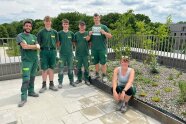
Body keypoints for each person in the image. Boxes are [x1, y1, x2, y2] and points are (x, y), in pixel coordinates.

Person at [16, 19, 40, 107]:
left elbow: (38, 47)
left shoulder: (34, 36)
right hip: (26, 61)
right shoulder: (20, 36)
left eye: (30, 26)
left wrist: (31, 46)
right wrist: (34, 46)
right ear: (24, 27)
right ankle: (23, 98)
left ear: (31, 27)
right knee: (26, 79)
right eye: (26, 26)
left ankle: (31, 91)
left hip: (34, 60)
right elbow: (24, 47)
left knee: (33, 77)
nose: (28, 27)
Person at [88, 13, 112, 82]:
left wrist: (104, 33)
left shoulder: (104, 27)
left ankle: (104, 75)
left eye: (97, 18)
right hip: (94, 49)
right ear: (93, 19)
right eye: (95, 18)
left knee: (103, 63)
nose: (96, 19)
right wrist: (89, 35)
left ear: (99, 18)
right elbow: (88, 40)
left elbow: (110, 36)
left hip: (102, 49)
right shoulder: (91, 28)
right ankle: (97, 74)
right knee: (96, 62)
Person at [37, 16, 58, 93]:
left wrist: (54, 49)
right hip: (44, 52)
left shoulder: (55, 32)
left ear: (51, 22)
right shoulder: (40, 32)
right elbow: (38, 43)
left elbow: (57, 42)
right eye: (46, 21)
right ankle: (44, 85)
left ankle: (51, 84)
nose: (48, 22)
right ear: (44, 22)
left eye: (49, 21)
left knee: (52, 68)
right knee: (44, 69)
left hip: (52, 51)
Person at [57, 19, 76, 88]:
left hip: (70, 54)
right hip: (62, 54)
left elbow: (74, 44)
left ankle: (71, 81)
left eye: (66, 24)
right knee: (61, 69)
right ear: (62, 25)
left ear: (68, 25)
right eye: (64, 24)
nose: (65, 25)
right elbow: (57, 44)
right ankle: (60, 83)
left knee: (70, 69)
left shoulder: (71, 33)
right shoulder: (59, 33)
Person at [74, 21, 90, 85]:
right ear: (79, 26)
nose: (82, 27)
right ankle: (79, 79)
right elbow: (74, 43)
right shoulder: (76, 34)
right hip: (78, 54)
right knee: (78, 67)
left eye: (83, 25)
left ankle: (86, 80)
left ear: (85, 26)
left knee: (86, 67)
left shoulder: (87, 33)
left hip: (86, 54)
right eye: (81, 25)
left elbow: (90, 42)